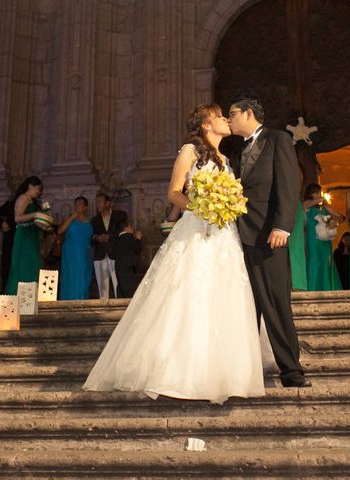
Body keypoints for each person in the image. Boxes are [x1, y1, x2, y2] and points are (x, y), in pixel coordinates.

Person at [83, 104, 265, 404]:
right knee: (190, 293)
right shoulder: (190, 151)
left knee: (223, 295)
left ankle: (222, 373)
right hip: (196, 229)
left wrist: (227, 205)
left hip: (223, 234)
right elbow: (173, 192)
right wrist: (201, 206)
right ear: (206, 124)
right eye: (219, 116)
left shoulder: (224, 158)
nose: (224, 119)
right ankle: (180, 372)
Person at [228, 93, 310, 388]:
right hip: (242, 238)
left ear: (248, 114)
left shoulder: (277, 140)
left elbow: (288, 185)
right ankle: (245, 371)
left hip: (269, 236)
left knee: (277, 303)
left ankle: (291, 370)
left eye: (232, 114)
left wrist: (282, 226)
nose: (229, 120)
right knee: (248, 307)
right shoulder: (238, 152)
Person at [4, 176, 44, 295]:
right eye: (38, 189)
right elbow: (18, 218)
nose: (39, 192)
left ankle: (30, 297)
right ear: (30, 186)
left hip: (32, 235)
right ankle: (20, 296)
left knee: (34, 263)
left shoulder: (32, 201)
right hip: (25, 236)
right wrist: (35, 214)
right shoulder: (23, 198)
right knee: (25, 264)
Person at [303, 183, 343, 291]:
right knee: (314, 262)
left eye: (319, 192)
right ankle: (313, 289)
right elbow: (307, 205)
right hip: (313, 242)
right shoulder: (306, 205)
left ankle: (328, 288)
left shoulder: (324, 207)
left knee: (326, 263)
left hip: (325, 242)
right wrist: (322, 199)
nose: (318, 194)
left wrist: (335, 223)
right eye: (316, 192)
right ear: (311, 194)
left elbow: (340, 216)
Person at [91, 193, 127, 299]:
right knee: (102, 286)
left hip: (115, 252)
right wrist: (97, 238)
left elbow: (123, 230)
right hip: (100, 254)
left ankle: (118, 308)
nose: (98, 205)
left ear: (107, 203)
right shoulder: (94, 220)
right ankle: (103, 310)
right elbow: (91, 238)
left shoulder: (120, 215)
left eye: (100, 202)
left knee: (118, 282)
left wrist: (110, 236)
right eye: (96, 202)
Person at [58, 196, 93, 300]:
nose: (78, 206)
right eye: (76, 204)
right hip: (70, 253)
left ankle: (80, 299)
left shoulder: (90, 222)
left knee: (82, 276)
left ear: (85, 207)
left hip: (83, 253)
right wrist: (73, 216)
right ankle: (68, 300)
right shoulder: (69, 219)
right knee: (70, 276)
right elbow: (60, 231)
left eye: (80, 204)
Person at [111, 218, 143, 298]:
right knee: (129, 287)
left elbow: (113, 254)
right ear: (126, 228)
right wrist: (138, 239)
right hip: (128, 266)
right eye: (130, 227)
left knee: (121, 286)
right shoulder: (129, 237)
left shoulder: (117, 240)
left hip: (118, 267)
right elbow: (137, 249)